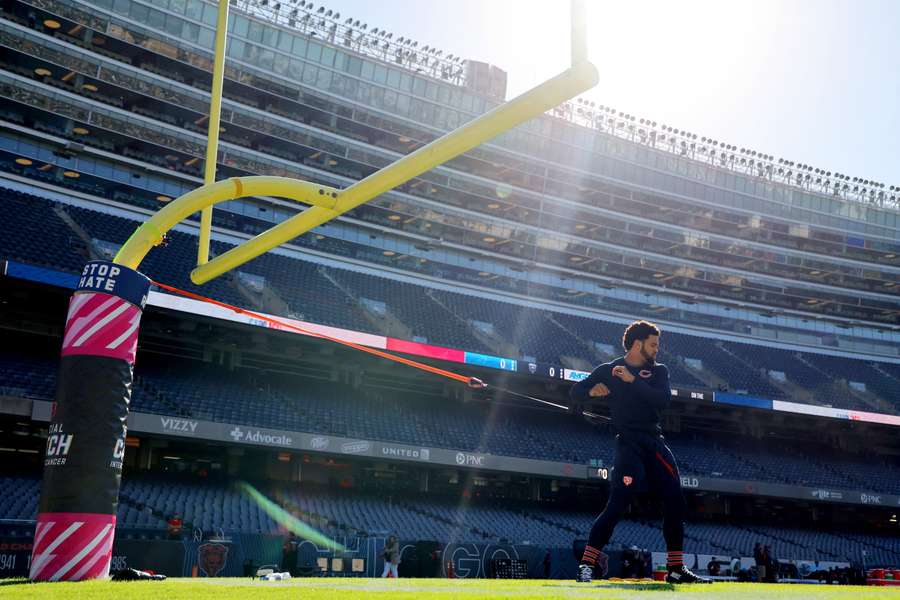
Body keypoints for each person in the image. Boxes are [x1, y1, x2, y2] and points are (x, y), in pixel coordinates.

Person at [569, 320, 710, 585]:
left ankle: (676, 569)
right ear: (637, 344)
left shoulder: (659, 372)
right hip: (629, 445)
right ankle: (586, 566)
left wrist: (632, 380)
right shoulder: (608, 370)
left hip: (654, 444)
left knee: (675, 502)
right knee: (618, 503)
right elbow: (575, 393)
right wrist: (591, 391)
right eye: (654, 344)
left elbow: (662, 400)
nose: (657, 349)